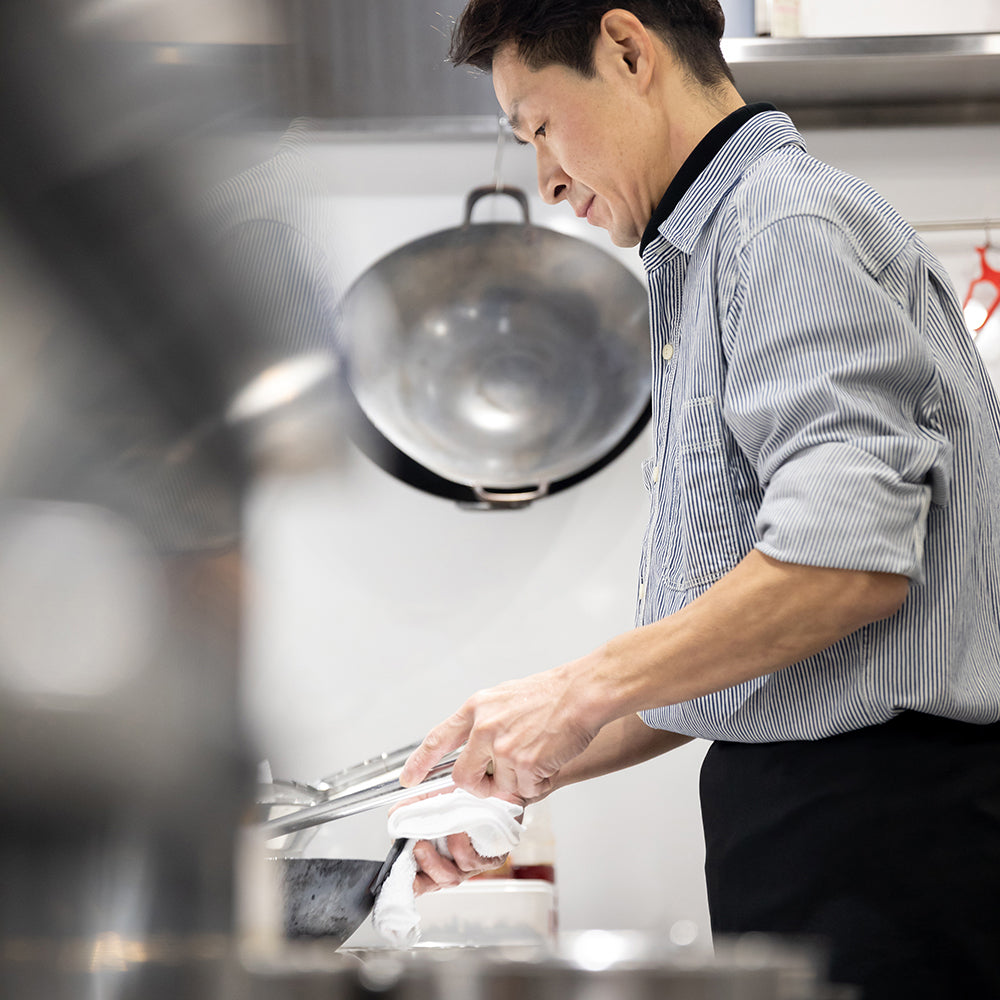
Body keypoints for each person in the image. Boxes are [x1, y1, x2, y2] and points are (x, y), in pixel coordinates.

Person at [397, 3, 1000, 996]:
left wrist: (574, 689)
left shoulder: (781, 227)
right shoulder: (708, 253)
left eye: (539, 125)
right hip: (828, 838)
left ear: (626, 50)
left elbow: (842, 564)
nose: (545, 180)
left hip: (889, 842)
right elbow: (738, 659)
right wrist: (505, 764)